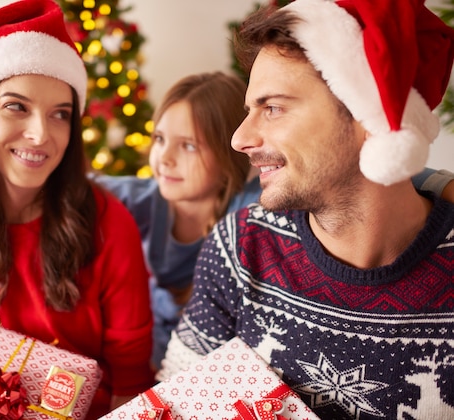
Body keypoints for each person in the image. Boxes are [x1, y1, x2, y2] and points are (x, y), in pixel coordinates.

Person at [0, 69, 454, 373]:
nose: (164, 159)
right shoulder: (140, 200)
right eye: (158, 141)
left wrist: (435, 180)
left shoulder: (258, 211)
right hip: (162, 364)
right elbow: (45, 178)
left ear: (232, 152)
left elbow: (344, 175)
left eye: (189, 146)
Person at [160, 0, 454, 418]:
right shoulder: (242, 244)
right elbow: (172, 403)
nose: (240, 138)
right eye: (250, 111)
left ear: (368, 118)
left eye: (273, 108)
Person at [0, 1, 154, 417]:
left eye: (60, 114)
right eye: (16, 106)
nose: (42, 134)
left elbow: (131, 374)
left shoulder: (108, 223)